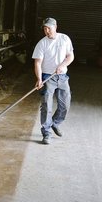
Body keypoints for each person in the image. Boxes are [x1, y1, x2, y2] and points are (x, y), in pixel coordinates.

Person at [32, 17, 74, 145]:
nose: (46, 31)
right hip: (47, 77)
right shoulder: (42, 43)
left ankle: (55, 123)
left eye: (49, 28)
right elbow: (38, 63)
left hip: (62, 76)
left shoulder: (64, 39)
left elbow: (70, 56)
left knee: (65, 104)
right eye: (44, 28)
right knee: (46, 105)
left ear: (55, 27)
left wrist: (63, 65)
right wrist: (39, 79)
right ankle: (46, 133)